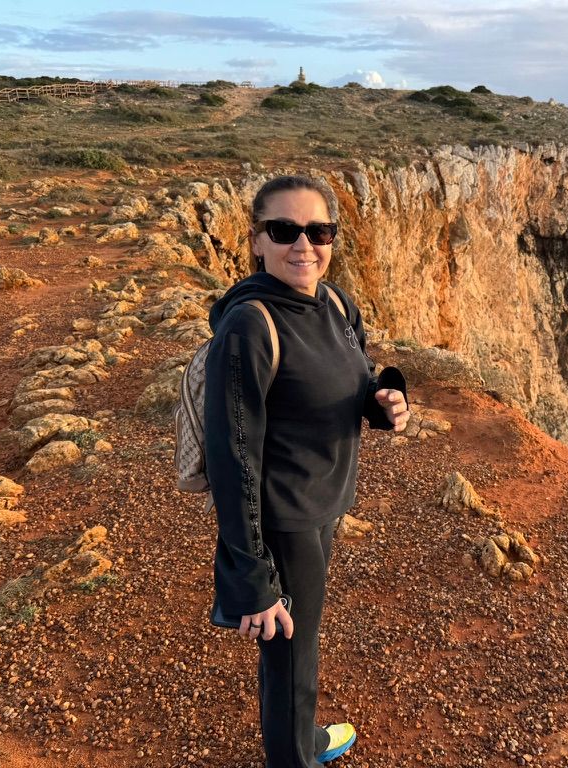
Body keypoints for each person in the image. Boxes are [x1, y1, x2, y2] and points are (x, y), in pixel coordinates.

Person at [203, 175, 409, 767]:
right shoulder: (251, 326)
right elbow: (231, 459)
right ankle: (296, 753)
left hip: (323, 504)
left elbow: (355, 377)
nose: (303, 246)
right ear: (257, 242)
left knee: (301, 642)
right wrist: (252, 578)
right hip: (285, 519)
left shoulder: (336, 302)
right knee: (292, 652)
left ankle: (303, 737)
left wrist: (382, 399)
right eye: (284, 230)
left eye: (318, 231)